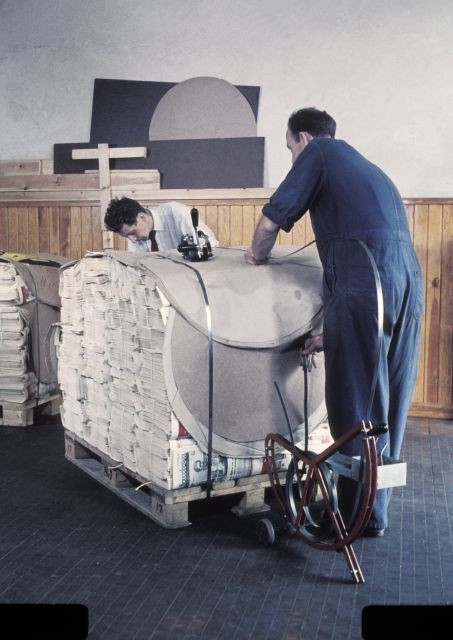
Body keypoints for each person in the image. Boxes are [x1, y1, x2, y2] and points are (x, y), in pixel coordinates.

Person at [245, 107, 423, 537]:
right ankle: (374, 515)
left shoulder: (318, 155)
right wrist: (329, 336)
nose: (292, 157)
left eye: (289, 147)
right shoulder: (369, 169)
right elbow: (380, 278)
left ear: (303, 138)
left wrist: (254, 257)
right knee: (389, 404)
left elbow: (270, 224)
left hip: (365, 281)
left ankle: (348, 518)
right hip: (408, 285)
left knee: (355, 404)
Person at [104, 196, 219, 252]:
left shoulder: (178, 214)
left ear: (142, 217)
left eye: (131, 233)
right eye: (126, 236)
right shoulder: (135, 234)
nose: (132, 240)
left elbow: (212, 248)